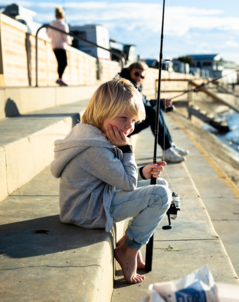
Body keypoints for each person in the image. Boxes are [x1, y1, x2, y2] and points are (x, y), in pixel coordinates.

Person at [51, 79, 171, 284]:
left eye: (133, 121)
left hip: (94, 201)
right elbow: (128, 184)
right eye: (123, 117)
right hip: (88, 212)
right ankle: (130, 249)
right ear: (102, 112)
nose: (129, 127)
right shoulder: (95, 147)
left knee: (160, 185)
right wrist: (126, 149)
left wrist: (142, 172)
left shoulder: (90, 133)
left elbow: (113, 176)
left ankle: (127, 241)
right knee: (160, 196)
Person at [119, 62, 188, 163]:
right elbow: (142, 106)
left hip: (127, 122)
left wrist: (160, 102)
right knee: (152, 112)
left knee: (156, 109)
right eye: (136, 74)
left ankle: (169, 145)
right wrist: (159, 102)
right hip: (121, 126)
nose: (139, 78)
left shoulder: (132, 83)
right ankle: (167, 149)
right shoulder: (124, 85)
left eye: (142, 76)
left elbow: (144, 102)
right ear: (130, 71)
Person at [47, 7, 72, 86]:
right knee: (64, 63)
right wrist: (69, 42)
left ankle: (60, 79)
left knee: (59, 63)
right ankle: (60, 78)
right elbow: (66, 36)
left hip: (54, 46)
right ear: (62, 16)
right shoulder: (63, 25)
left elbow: (48, 35)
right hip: (61, 46)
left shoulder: (51, 25)